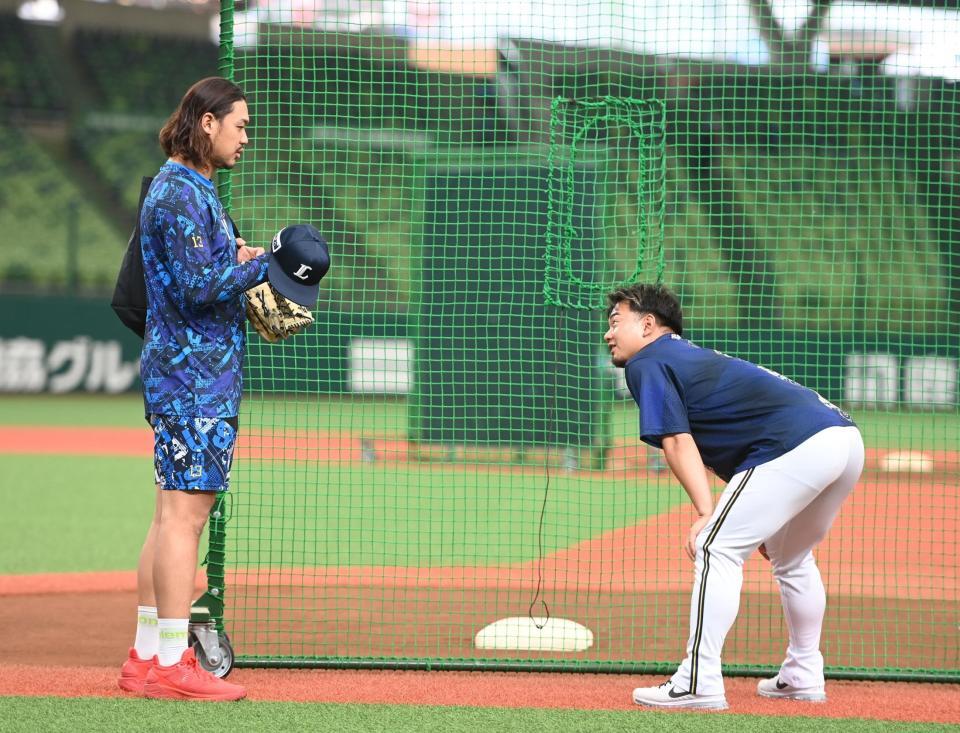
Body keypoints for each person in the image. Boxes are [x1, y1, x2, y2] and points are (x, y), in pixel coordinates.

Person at [605, 283, 863, 711]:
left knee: (714, 545)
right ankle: (803, 672)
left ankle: (697, 681)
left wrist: (708, 512)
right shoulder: (685, 357)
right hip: (843, 440)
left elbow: (676, 439)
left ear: (648, 324)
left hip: (795, 443)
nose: (608, 333)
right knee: (791, 556)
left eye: (616, 322)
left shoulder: (648, 360)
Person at [116, 77, 271, 701]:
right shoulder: (181, 191)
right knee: (186, 516)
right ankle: (176, 665)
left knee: (168, 516)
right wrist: (267, 263)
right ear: (206, 122)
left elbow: (201, 271)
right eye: (240, 125)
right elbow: (199, 288)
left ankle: (145, 656)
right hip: (193, 376)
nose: (246, 137)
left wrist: (234, 254)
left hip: (186, 372)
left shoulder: (185, 187)